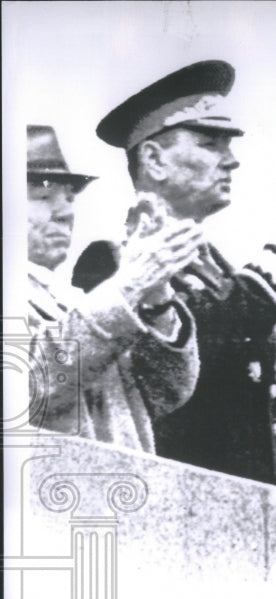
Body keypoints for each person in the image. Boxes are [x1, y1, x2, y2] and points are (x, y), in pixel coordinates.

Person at [82, 60, 276, 490]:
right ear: (154, 159)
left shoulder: (218, 272)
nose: (232, 162)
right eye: (210, 144)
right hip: (192, 515)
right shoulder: (117, 264)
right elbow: (199, 349)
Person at [25, 124, 200, 452]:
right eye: (44, 197)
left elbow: (168, 393)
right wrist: (129, 283)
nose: (65, 213)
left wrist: (156, 295)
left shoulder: (72, 301)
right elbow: (26, 389)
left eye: (69, 197)